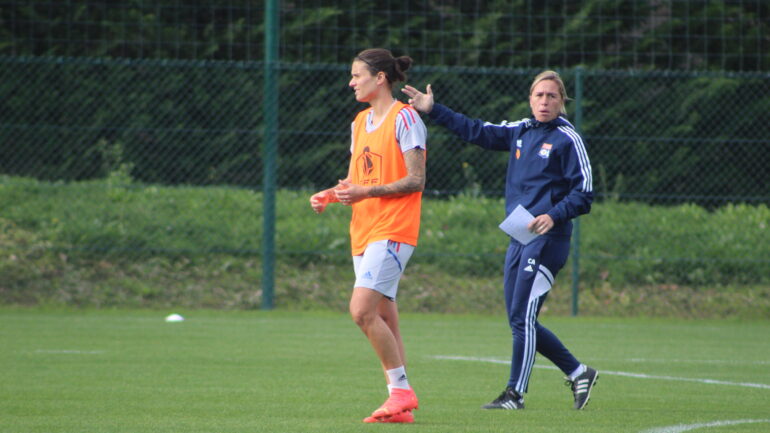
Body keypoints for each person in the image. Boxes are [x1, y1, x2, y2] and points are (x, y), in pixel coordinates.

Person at [402, 70, 598, 410]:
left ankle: (514, 395)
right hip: (520, 236)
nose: (545, 101)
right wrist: (433, 109)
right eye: (539, 95)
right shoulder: (521, 130)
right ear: (530, 99)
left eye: (552, 96)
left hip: (548, 238)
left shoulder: (568, 138)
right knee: (518, 318)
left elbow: (584, 193)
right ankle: (578, 371)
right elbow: (476, 131)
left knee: (523, 316)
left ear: (562, 101)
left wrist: (553, 214)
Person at [310, 48, 427, 423]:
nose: (351, 81)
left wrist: (364, 192)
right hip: (363, 229)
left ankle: (401, 392)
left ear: (379, 78)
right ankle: (401, 405)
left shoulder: (405, 118)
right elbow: (359, 180)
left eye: (357, 74)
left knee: (360, 311)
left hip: (393, 228)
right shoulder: (359, 122)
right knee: (384, 318)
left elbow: (416, 179)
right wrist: (332, 193)